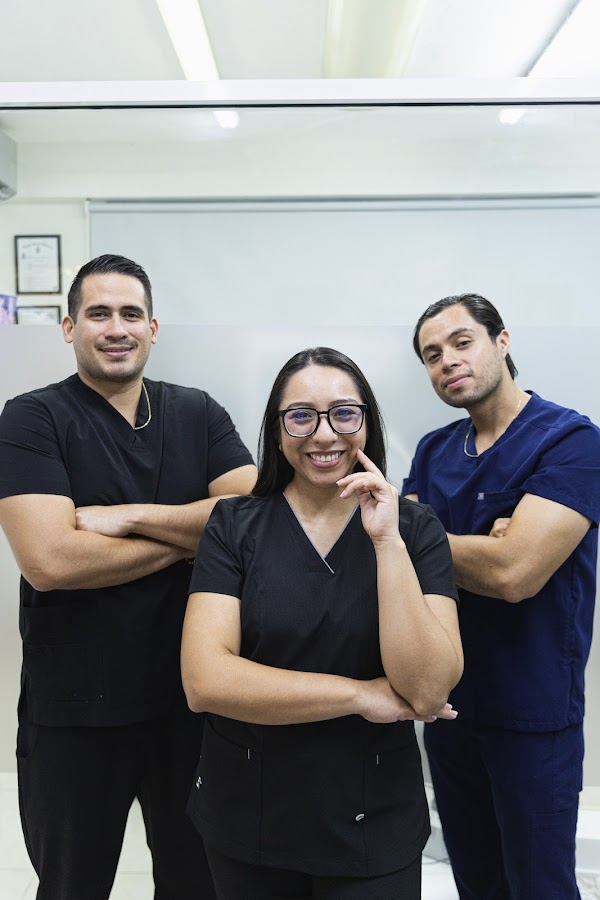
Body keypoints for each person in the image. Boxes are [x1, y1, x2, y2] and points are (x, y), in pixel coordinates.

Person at [0, 254, 257, 900]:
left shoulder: (198, 414)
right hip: (75, 711)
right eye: (98, 313)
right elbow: (50, 561)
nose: (117, 327)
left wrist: (128, 519)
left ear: (153, 327)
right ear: (68, 328)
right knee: (71, 886)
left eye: (131, 313)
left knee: (199, 880)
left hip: (190, 702)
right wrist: (187, 543)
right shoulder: (33, 419)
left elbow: (252, 522)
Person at [181, 346, 463, 900]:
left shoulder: (414, 528)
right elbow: (205, 680)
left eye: (344, 413)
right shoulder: (233, 525)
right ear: (277, 427)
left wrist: (385, 542)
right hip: (249, 813)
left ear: (366, 421)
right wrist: (360, 695)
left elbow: (429, 689)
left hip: (372, 818)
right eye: (302, 415)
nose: (324, 433)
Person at [403, 293, 600, 899]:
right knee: (476, 881)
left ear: (502, 341)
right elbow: (388, 553)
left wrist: (424, 537)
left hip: (531, 713)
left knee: (539, 886)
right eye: (432, 356)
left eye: (462, 343)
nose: (448, 363)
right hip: (449, 707)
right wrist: (478, 545)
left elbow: (516, 574)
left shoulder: (572, 442)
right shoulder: (435, 450)